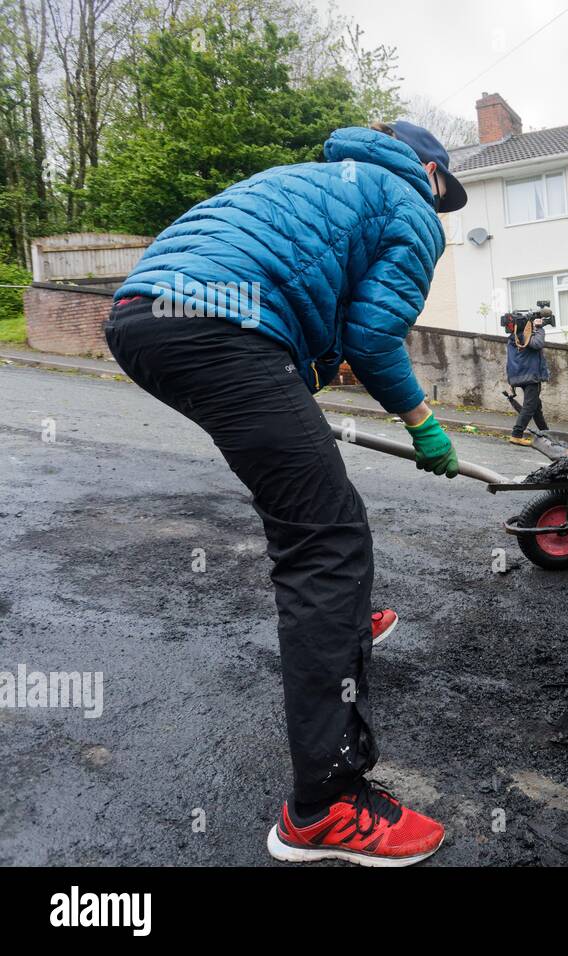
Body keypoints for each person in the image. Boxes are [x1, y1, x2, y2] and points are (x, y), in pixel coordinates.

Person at [106, 120, 468, 866]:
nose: (443, 204)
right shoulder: (409, 206)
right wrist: (424, 424)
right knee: (328, 538)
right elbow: (373, 339)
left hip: (145, 314)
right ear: (431, 171)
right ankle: (326, 807)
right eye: (447, 189)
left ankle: (344, 621)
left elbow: (308, 303)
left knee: (306, 509)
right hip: (217, 323)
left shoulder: (317, 180)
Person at [505, 312, 550, 446]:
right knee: (530, 406)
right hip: (530, 375)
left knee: (536, 406)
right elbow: (538, 343)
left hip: (522, 374)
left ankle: (546, 433)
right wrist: (540, 328)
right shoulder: (524, 335)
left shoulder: (514, 336)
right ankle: (516, 434)